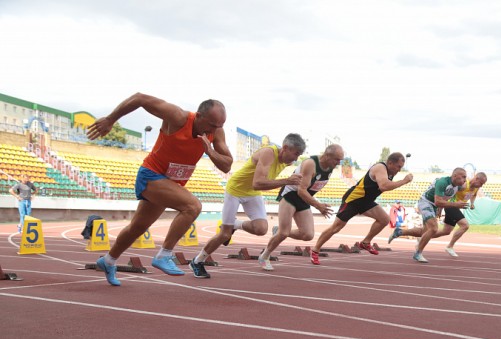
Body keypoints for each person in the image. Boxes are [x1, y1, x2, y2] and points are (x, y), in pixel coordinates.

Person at [87, 93, 233, 286]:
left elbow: (227, 165)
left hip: (170, 182)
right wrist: (111, 119)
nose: (215, 129)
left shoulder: (216, 133)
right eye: (212, 124)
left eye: (220, 125)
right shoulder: (178, 117)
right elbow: (140, 98)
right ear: (198, 116)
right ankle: (164, 254)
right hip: (151, 175)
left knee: (137, 228)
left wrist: (210, 150)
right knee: (193, 207)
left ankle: (108, 260)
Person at [190, 134, 306, 277]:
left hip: (251, 193)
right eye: (295, 154)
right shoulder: (268, 153)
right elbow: (257, 183)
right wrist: (287, 181)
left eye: (299, 155)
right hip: (235, 190)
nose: (295, 159)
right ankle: (197, 261)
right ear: (285, 148)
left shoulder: (287, 162)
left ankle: (235, 224)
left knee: (261, 228)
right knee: (224, 234)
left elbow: (257, 186)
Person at [310, 152, 413, 265]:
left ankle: (365, 242)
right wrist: (404, 181)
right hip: (353, 200)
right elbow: (383, 186)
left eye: (401, 168)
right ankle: (315, 250)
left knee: (384, 219)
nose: (399, 170)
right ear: (390, 163)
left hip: (366, 201)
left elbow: (383, 187)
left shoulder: (390, 172)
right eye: (398, 166)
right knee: (336, 228)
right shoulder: (380, 168)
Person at [257, 144, 344, 271]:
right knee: (284, 232)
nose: (338, 163)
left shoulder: (330, 168)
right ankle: (264, 256)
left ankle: (279, 231)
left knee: (307, 235)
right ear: (327, 156)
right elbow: (301, 190)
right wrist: (318, 206)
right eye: (337, 159)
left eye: (340, 160)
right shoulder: (310, 164)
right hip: (291, 195)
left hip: (304, 198)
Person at [389, 170, 487, 262]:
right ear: (455, 176)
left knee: (427, 231)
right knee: (434, 228)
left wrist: (440, 208)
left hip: (436, 206)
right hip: (426, 202)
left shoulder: (459, 186)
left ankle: (400, 231)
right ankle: (418, 252)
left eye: (465, 178)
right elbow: (438, 200)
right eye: (463, 177)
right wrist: (455, 204)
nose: (465, 180)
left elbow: (445, 198)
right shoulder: (443, 182)